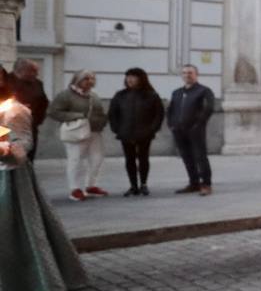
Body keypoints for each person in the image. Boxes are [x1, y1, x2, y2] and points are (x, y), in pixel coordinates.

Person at [0, 75, 89, 291]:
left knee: (13, 228)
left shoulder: (13, 110)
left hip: (9, 179)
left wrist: (7, 149)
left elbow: (21, 143)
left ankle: (23, 283)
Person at [49, 70, 108, 202]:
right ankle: (74, 188)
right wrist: (76, 117)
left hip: (94, 131)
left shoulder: (94, 95)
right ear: (77, 79)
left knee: (97, 158)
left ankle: (91, 185)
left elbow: (100, 111)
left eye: (92, 79)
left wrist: (102, 121)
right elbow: (54, 112)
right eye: (86, 78)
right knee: (75, 159)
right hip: (76, 131)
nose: (90, 81)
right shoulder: (65, 95)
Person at [107, 68, 165, 196]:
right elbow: (112, 114)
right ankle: (133, 186)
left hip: (145, 133)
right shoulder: (120, 95)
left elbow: (159, 114)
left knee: (143, 159)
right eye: (128, 77)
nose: (129, 79)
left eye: (133, 77)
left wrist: (152, 129)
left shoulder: (151, 95)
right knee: (130, 160)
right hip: (125, 133)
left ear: (141, 79)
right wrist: (117, 129)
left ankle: (143, 184)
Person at [167, 64, 215, 196]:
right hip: (179, 130)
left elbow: (209, 108)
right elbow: (170, 110)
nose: (187, 75)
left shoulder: (204, 91)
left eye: (190, 73)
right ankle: (194, 183)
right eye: (184, 73)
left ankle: (206, 184)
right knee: (187, 158)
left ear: (196, 75)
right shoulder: (177, 92)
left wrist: (198, 124)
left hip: (196, 131)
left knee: (200, 157)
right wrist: (171, 125)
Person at [10, 59, 48, 158]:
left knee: (29, 155)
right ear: (20, 70)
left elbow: (43, 103)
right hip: (8, 127)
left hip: (30, 126)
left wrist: (37, 120)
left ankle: (27, 173)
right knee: (10, 156)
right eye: (33, 71)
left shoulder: (38, 84)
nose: (36, 74)